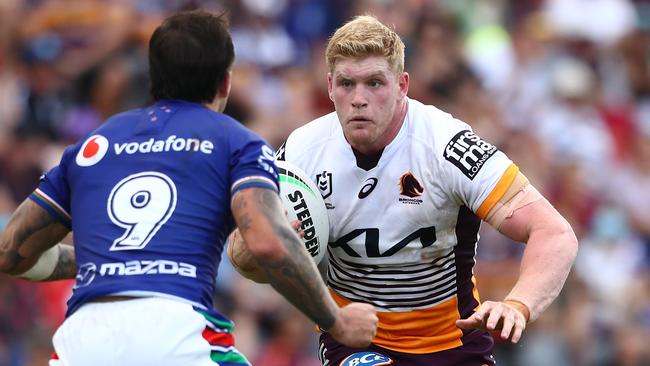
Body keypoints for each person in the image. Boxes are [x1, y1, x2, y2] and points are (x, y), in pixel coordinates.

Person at [0, 10, 377, 366]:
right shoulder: (235, 141)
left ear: (153, 78)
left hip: (83, 340)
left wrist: (108, 262)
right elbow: (267, 243)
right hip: (175, 333)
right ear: (226, 81)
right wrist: (337, 321)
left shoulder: (91, 146)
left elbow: (11, 252)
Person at [229, 15, 579, 365]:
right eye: (347, 84)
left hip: (454, 339)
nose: (359, 99)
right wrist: (263, 242)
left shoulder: (447, 147)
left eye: (375, 83)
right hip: (356, 341)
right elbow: (241, 255)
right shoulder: (301, 152)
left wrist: (518, 305)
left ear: (402, 85)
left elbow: (554, 232)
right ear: (330, 85)